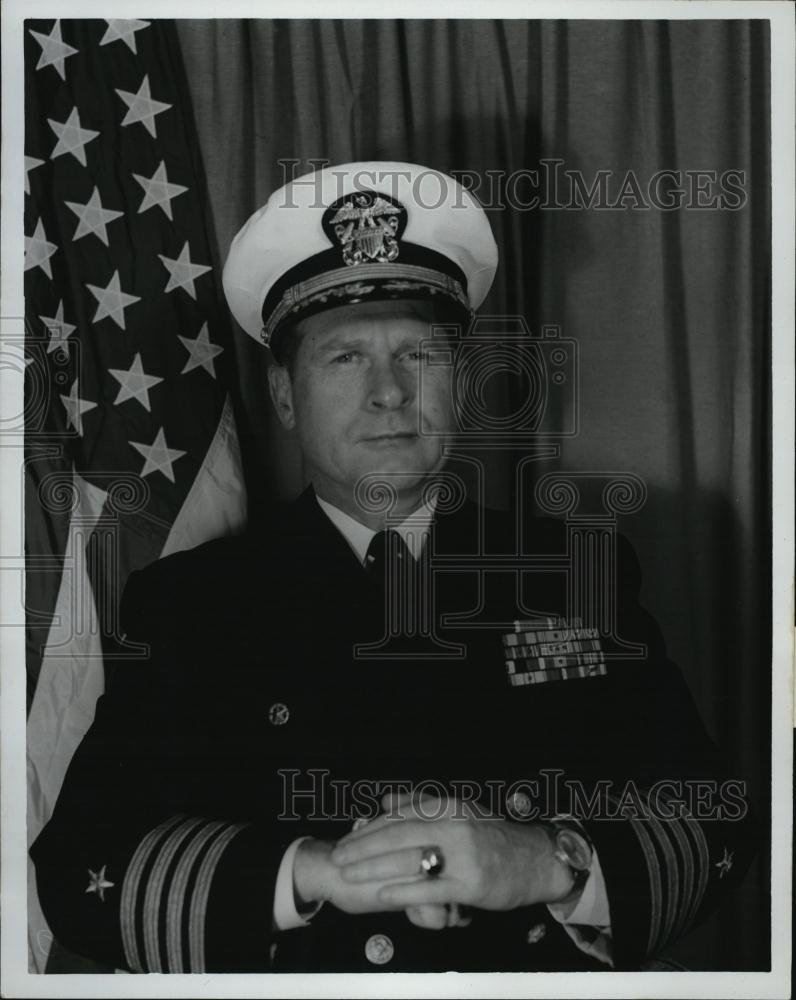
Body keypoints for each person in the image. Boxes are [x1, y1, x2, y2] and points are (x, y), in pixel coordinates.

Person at [31, 161, 755, 974]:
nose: (389, 393)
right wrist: (317, 872)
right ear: (283, 394)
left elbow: (712, 819)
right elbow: (82, 866)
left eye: (419, 353)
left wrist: (551, 862)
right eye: (344, 358)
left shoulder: (572, 572)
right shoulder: (190, 605)